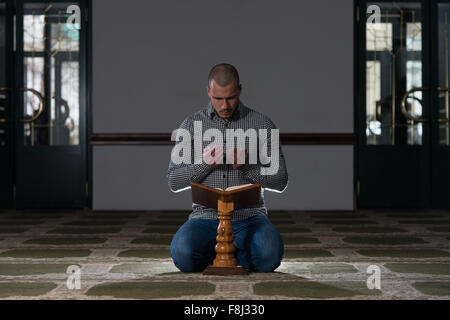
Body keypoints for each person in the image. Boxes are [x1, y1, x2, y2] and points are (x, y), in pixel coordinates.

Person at [167, 63, 289, 272]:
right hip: (205, 218)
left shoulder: (262, 124)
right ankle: (234, 253)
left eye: (230, 98)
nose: (225, 105)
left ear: (240, 90)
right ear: (208, 92)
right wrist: (204, 165)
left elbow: (280, 181)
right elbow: (173, 182)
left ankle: (222, 253)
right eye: (218, 98)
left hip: (249, 217)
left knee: (269, 257)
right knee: (183, 256)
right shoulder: (191, 124)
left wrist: (247, 167)